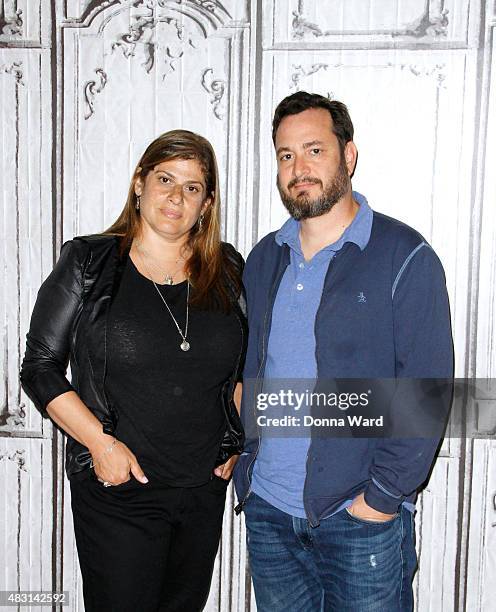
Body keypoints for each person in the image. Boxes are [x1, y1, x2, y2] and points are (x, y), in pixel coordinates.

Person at [233, 91, 453, 611]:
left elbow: (427, 391)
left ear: (348, 156)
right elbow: (247, 371)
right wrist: (243, 460)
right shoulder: (265, 258)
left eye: (314, 150)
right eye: (286, 155)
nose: (298, 168)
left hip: (359, 521)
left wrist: (379, 501)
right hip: (268, 514)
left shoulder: (404, 256)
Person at [20, 130, 247, 612]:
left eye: (192, 187)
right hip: (119, 488)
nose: (175, 196)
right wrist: (100, 445)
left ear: (206, 203)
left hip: (201, 491)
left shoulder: (227, 268)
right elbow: (40, 368)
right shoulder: (89, 261)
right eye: (165, 178)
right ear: (139, 184)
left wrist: (234, 440)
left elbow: (242, 367)